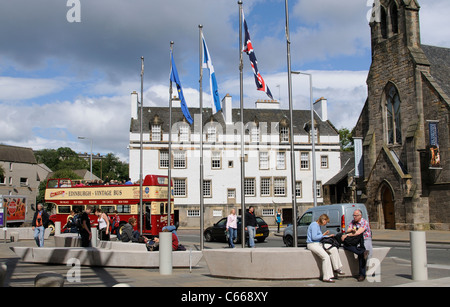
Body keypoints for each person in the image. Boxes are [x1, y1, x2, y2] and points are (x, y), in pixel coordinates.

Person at [306, 214, 344, 283]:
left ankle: (337, 267)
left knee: (333, 249)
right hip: (312, 244)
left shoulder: (318, 225)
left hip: (318, 243)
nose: (326, 223)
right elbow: (314, 237)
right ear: (323, 220)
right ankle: (327, 277)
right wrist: (323, 235)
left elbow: (319, 236)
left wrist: (327, 236)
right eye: (326, 222)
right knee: (325, 257)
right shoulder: (314, 225)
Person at [342, 209, 372, 282]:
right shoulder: (352, 222)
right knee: (345, 245)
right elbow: (348, 229)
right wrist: (351, 231)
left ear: (360, 216)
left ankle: (362, 275)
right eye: (354, 215)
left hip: (364, 239)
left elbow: (358, 232)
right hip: (355, 239)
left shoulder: (364, 222)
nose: (354, 217)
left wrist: (347, 235)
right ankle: (360, 252)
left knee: (362, 256)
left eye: (356, 215)